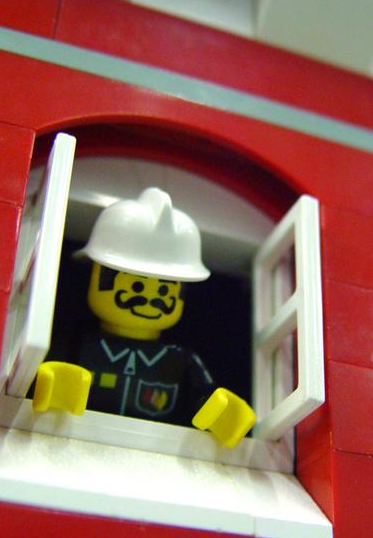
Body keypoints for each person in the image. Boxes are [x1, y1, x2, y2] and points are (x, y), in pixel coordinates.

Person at [32, 187, 255, 448]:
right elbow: (43, 377)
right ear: (97, 278)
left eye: (164, 290)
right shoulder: (79, 345)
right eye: (136, 286)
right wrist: (53, 382)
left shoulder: (179, 361)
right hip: (71, 442)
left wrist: (222, 411)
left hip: (151, 453)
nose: (150, 299)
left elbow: (202, 397)